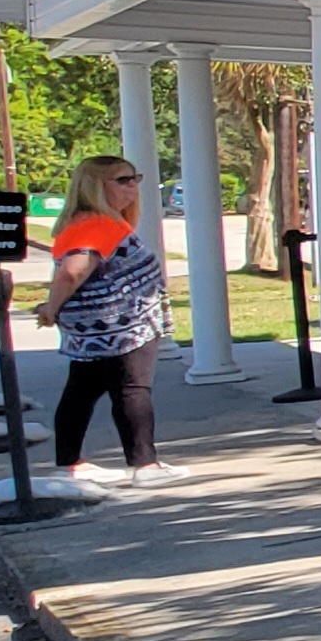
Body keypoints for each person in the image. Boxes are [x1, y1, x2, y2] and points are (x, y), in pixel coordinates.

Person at [33, 155, 189, 488]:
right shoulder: (97, 224)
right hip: (119, 327)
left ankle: (70, 463)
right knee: (132, 389)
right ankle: (145, 465)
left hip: (97, 329)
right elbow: (72, 272)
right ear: (95, 187)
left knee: (81, 391)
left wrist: (55, 308)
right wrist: (50, 308)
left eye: (135, 178)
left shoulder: (88, 223)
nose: (133, 186)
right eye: (122, 180)